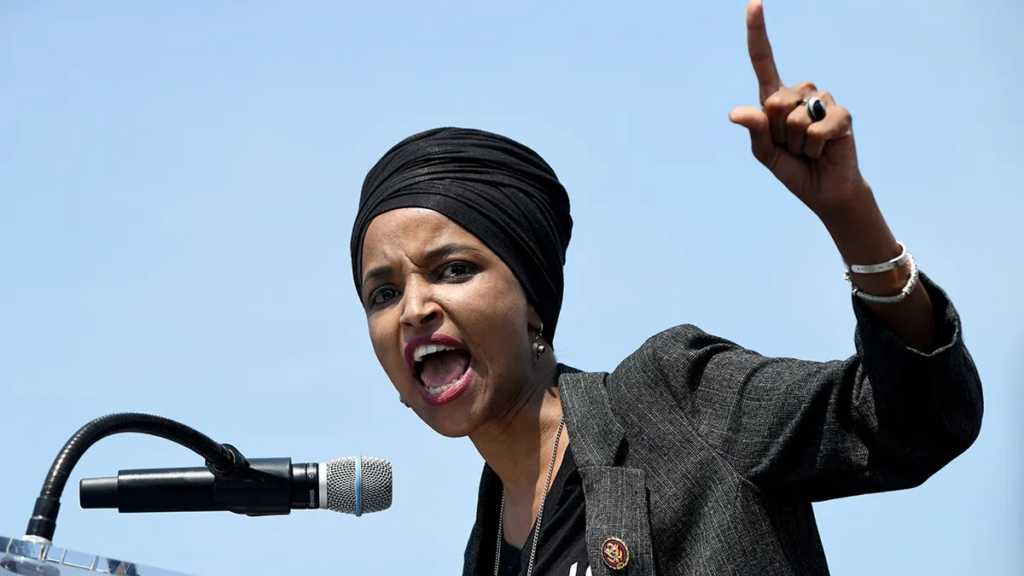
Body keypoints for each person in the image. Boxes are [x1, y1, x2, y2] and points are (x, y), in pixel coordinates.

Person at [347, 1, 984, 574]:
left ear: (533, 303)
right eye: (383, 294)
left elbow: (919, 419)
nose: (414, 309)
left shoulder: (672, 403)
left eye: (453, 270)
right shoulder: (485, 554)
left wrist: (850, 214)